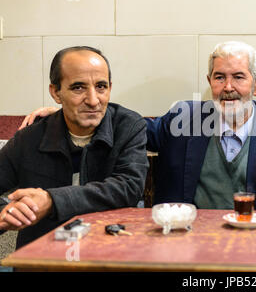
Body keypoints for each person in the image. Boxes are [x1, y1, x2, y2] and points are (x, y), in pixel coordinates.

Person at [20, 41, 256, 210]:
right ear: (209, 81)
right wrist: (66, 111)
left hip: (255, 249)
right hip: (184, 249)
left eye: (239, 77)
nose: (228, 88)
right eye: (219, 77)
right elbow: (127, 126)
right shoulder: (183, 119)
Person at [0, 46, 149, 249]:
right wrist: (6, 212)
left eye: (101, 86)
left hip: (108, 256)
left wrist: (52, 200)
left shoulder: (128, 127)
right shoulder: (29, 138)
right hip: (42, 260)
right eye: (78, 88)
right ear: (56, 92)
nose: (93, 100)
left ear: (110, 88)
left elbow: (128, 187)